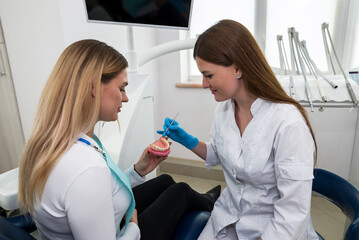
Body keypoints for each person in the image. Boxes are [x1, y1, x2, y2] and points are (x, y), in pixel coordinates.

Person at [18, 39, 220, 240]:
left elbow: (102, 188)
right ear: (94, 87)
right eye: (121, 88)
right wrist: (133, 223)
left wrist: (137, 171)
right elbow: (91, 182)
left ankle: (205, 200)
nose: (126, 98)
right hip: (123, 232)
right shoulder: (85, 169)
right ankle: (212, 205)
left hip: (105, 222)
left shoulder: (56, 139)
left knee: (165, 180)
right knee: (181, 191)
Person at [158, 20, 319, 240]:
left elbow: (293, 214)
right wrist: (188, 140)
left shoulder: (287, 123)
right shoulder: (224, 109)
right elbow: (220, 153)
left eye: (209, 75)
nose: (204, 84)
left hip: (272, 229)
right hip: (227, 217)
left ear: (238, 67)